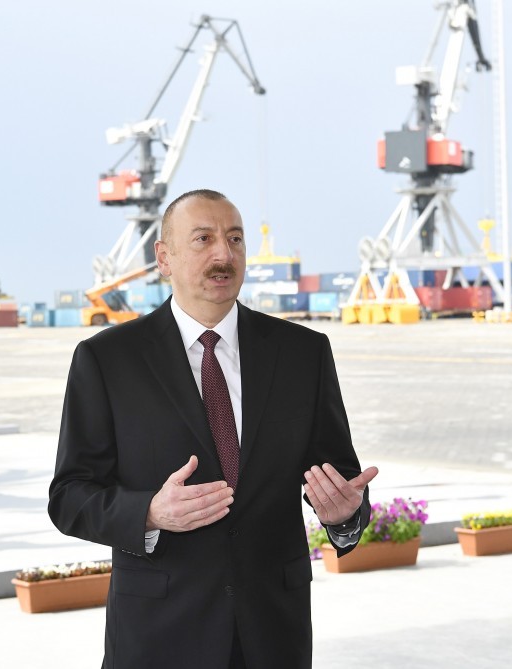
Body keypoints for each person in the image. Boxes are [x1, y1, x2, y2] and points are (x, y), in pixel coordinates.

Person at [49, 189, 378, 669]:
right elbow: (69, 496)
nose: (224, 254)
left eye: (235, 239)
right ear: (164, 257)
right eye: (203, 239)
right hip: (158, 637)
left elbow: (338, 478)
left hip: (273, 635)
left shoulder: (303, 354)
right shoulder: (107, 360)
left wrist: (345, 514)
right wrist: (149, 513)